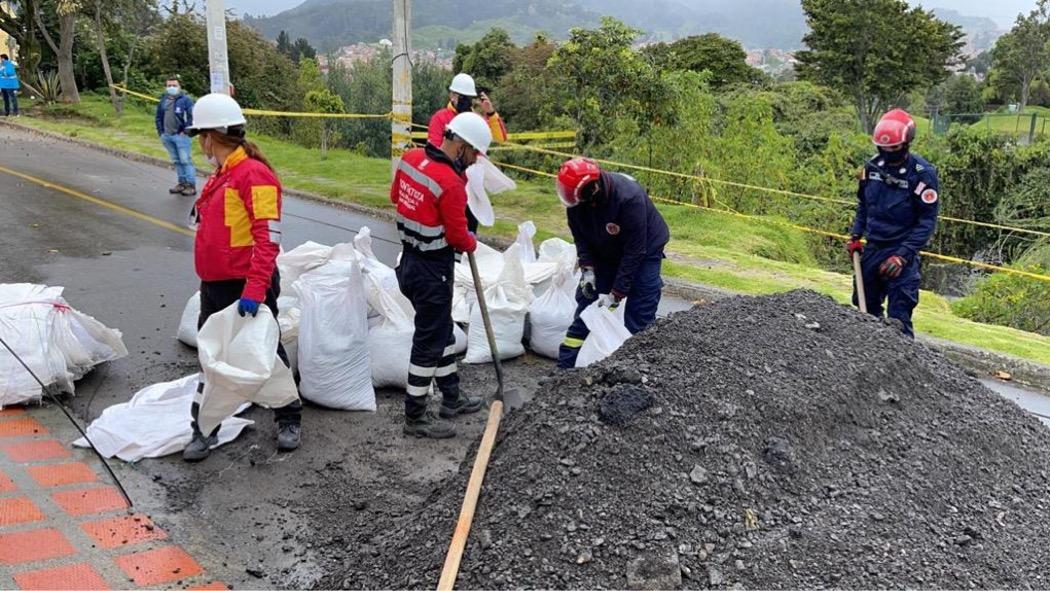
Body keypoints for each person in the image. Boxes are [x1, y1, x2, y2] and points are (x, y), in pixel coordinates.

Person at [182, 93, 302, 461]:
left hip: (247, 285)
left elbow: (268, 239)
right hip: (215, 286)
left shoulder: (254, 175)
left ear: (210, 136)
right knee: (210, 357)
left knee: (269, 355)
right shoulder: (224, 172)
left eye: (200, 135)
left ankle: (289, 417)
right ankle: (204, 428)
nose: (199, 143)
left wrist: (254, 289)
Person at [393, 113, 493, 439]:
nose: (476, 160)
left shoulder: (409, 159)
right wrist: (473, 240)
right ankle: (415, 416)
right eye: (475, 153)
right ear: (461, 146)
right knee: (428, 342)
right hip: (432, 271)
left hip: (408, 261)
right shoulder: (451, 183)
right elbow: (459, 238)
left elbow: (396, 197)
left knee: (442, 331)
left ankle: (451, 396)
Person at [555, 158, 670, 369]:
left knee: (640, 312)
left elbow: (635, 252)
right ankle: (564, 370)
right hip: (606, 250)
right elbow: (582, 239)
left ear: (594, 190)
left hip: (644, 251)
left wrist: (616, 293)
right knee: (588, 304)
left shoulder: (628, 198)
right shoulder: (576, 203)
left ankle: (635, 374)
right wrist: (588, 269)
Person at [848, 108, 939, 338]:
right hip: (873, 248)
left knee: (899, 316)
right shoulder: (871, 168)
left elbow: (926, 221)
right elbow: (864, 205)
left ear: (906, 143)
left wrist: (902, 256)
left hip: (902, 253)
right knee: (863, 309)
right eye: (883, 148)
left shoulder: (922, 174)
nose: (888, 152)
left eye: (894, 148)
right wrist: (856, 236)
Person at [427, 73, 508, 151]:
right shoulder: (440, 118)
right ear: (451, 95)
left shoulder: (476, 120)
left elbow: (500, 141)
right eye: (462, 97)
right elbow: (434, 149)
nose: (465, 101)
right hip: (448, 164)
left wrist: (491, 113)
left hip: (474, 164)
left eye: (468, 97)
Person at [155, 77, 197, 196]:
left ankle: (191, 185)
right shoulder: (163, 100)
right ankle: (182, 183)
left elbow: (192, 117)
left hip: (181, 136)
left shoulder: (186, 100)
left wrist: (185, 130)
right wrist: (161, 132)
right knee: (177, 161)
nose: (171, 88)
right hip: (167, 136)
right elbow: (158, 117)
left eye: (174, 85)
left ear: (179, 87)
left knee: (185, 160)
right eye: (169, 85)